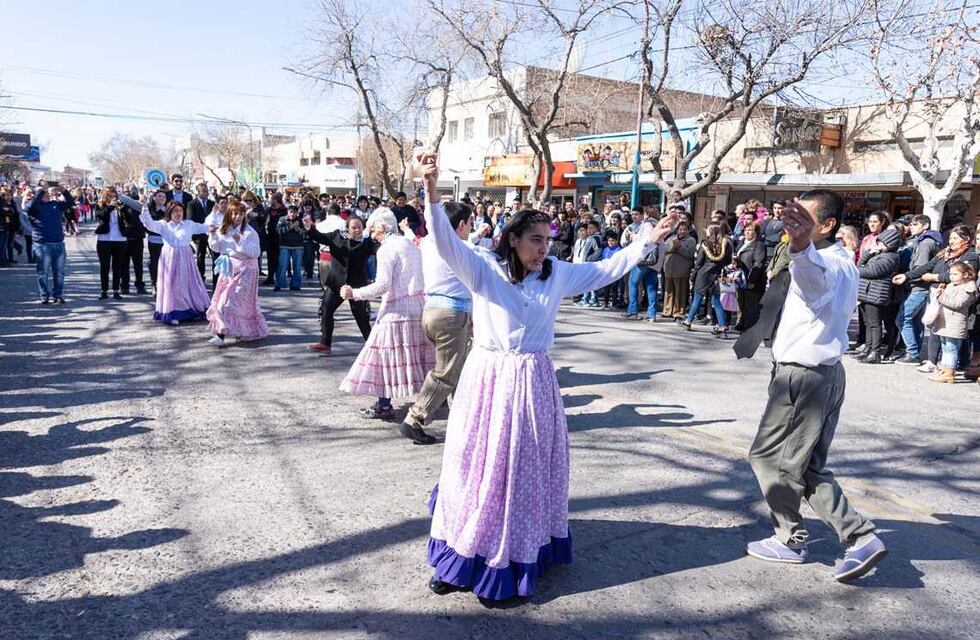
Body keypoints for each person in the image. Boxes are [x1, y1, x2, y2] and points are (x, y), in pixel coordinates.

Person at [417, 150, 680, 604]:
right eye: (535, 239)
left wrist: (648, 240)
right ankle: (460, 555)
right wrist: (431, 188)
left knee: (521, 471)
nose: (544, 247)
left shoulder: (557, 275)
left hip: (532, 380)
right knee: (472, 466)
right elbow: (444, 241)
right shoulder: (484, 268)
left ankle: (512, 556)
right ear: (513, 238)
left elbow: (605, 270)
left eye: (547, 238)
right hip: (487, 380)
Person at [742, 190, 886, 582]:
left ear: (826, 226)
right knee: (807, 465)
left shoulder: (826, 263)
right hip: (822, 374)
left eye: (804, 218)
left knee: (771, 459)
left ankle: (794, 538)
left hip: (803, 377)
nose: (793, 223)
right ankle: (858, 538)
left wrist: (802, 247)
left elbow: (814, 284)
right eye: (792, 215)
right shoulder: (837, 259)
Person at [338, 207, 435, 420]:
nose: (372, 235)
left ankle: (384, 405)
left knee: (383, 357)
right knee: (420, 357)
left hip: (396, 310)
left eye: (373, 230)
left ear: (383, 227)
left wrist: (354, 293)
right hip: (418, 306)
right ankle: (430, 402)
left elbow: (382, 285)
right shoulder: (409, 244)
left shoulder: (386, 249)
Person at [398, 202, 475, 445]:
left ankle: (462, 421)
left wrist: (407, 231)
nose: (471, 228)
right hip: (451, 315)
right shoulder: (462, 248)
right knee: (446, 372)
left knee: (457, 370)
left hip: (432, 312)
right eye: (470, 223)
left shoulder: (430, 243)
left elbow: (416, 239)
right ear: (461, 225)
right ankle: (415, 419)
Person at [896, 224, 979, 374]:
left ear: (965, 239)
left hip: (955, 297)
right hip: (937, 294)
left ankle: (955, 365)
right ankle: (933, 361)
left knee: (955, 333)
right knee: (936, 327)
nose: (951, 241)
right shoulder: (944, 253)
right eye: (951, 238)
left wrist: (935, 277)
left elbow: (962, 276)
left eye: (955, 238)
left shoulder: (970, 256)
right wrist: (907, 276)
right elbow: (928, 266)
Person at [304, 214, 376, 354]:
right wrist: (309, 227)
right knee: (326, 309)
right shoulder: (337, 237)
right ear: (347, 228)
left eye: (359, 227)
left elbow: (378, 249)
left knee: (361, 316)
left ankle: (372, 345)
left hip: (356, 286)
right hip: (336, 284)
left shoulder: (367, 242)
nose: (357, 230)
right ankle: (325, 342)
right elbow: (319, 237)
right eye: (353, 227)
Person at [206, 202, 269, 347]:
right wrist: (213, 235)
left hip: (246, 270)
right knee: (223, 301)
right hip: (229, 269)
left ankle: (229, 333)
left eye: (240, 214)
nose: (237, 217)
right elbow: (216, 247)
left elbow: (255, 253)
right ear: (229, 214)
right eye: (234, 213)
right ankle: (225, 332)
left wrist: (240, 240)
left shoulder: (249, 232)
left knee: (231, 302)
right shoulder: (224, 229)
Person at [139, 202, 212, 325]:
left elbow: (205, 227)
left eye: (180, 211)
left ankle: (189, 309)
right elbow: (149, 224)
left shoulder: (188, 224)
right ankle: (173, 312)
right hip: (169, 257)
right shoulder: (164, 225)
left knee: (185, 283)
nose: (178, 214)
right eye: (175, 211)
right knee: (171, 284)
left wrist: (216, 223)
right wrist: (145, 208)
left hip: (185, 257)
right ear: (169, 213)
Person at [893, 215, 942, 365]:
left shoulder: (926, 243)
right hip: (920, 286)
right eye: (911, 224)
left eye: (915, 224)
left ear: (925, 225)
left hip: (919, 287)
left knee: (902, 319)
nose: (911, 227)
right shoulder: (923, 241)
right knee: (915, 321)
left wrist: (907, 277)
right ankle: (915, 351)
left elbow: (921, 267)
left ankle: (912, 353)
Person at [853, 227, 901, 364]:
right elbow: (860, 265)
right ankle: (868, 348)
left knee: (875, 324)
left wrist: (860, 269)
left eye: (880, 242)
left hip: (876, 294)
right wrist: (868, 254)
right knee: (868, 323)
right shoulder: (877, 255)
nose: (878, 245)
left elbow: (870, 271)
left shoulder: (890, 257)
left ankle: (875, 352)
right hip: (867, 292)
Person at [27, 185, 75, 304]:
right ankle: (44, 295)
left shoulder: (55, 205)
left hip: (58, 243)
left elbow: (70, 202)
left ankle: (58, 295)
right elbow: (33, 204)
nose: (47, 195)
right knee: (43, 272)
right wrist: (41, 190)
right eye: (44, 194)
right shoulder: (34, 208)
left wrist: (63, 190)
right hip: (43, 244)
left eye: (47, 193)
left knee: (59, 273)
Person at [680, 224, 732, 333]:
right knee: (716, 300)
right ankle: (722, 325)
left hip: (703, 274)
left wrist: (693, 276)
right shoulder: (725, 244)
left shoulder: (705, 244)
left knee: (698, 298)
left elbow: (699, 263)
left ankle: (688, 321)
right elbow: (728, 261)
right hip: (716, 274)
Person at [93, 188, 131, 300]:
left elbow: (129, 220)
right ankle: (104, 290)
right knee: (104, 266)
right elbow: (100, 216)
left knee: (117, 266)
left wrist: (123, 209)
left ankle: (116, 290)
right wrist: (110, 207)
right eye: (110, 196)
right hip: (104, 240)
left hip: (120, 240)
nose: (113, 199)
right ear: (105, 197)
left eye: (114, 196)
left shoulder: (120, 207)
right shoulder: (100, 206)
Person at [733, 221, 767, 331]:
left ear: (756, 232)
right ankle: (741, 323)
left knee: (750, 305)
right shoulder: (741, 243)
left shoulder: (759, 245)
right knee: (741, 303)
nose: (747, 232)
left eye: (750, 230)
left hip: (752, 279)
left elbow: (759, 263)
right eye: (746, 230)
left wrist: (751, 279)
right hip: (740, 278)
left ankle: (749, 328)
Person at [276, 206, 305, 291]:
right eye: (291, 212)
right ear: (288, 212)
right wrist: (290, 227)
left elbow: (305, 234)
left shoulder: (300, 220)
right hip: (284, 245)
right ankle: (280, 284)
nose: (292, 214)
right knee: (282, 265)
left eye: (294, 212)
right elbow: (278, 230)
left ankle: (295, 285)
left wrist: (298, 229)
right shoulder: (282, 219)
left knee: (297, 266)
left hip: (298, 246)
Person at [188, 183, 214, 280]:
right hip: (199, 235)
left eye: (206, 191)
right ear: (198, 192)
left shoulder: (212, 204)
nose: (206, 193)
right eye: (203, 191)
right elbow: (190, 219)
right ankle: (200, 276)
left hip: (211, 233)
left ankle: (216, 276)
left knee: (214, 255)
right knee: (200, 256)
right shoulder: (192, 204)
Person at [264, 193, 287, 285]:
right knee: (270, 258)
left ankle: (279, 277)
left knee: (279, 258)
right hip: (270, 236)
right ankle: (270, 277)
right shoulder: (269, 210)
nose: (270, 201)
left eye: (271, 199)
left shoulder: (283, 211)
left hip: (280, 237)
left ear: (276, 200)